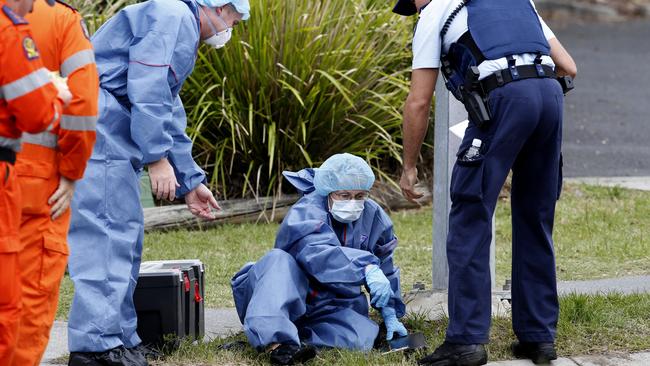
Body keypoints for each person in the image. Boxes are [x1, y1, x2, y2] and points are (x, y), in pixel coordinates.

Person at [392, 0, 577, 364]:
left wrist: (409, 167)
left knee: (469, 216)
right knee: (535, 216)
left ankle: (466, 341)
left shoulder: (434, 13)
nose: (413, 9)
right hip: (550, 97)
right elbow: (568, 66)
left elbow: (418, 102)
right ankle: (539, 338)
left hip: (506, 100)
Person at [65, 0, 250, 365]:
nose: (232, 27)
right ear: (219, 6)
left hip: (110, 128)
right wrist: (157, 158)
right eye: (234, 18)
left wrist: (190, 181)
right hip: (97, 128)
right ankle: (94, 347)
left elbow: (167, 106)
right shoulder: (173, 17)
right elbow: (147, 88)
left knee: (124, 236)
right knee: (105, 234)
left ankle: (118, 337)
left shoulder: (177, 21)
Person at [231, 153, 408, 365]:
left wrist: (390, 311)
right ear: (328, 191)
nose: (353, 202)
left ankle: (298, 338)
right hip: (284, 293)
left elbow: (386, 265)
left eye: (360, 195)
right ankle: (277, 344)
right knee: (277, 260)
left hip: (330, 302)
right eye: (344, 195)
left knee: (362, 338)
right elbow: (317, 253)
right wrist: (366, 268)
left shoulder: (374, 216)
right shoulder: (308, 209)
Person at [9, 1, 99, 364]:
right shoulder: (62, 20)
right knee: (28, 300)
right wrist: (72, 171)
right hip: (38, 182)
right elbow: (84, 104)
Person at [0, 0, 70, 363]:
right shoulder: (9, 31)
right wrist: (57, 95)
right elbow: (36, 113)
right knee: (9, 305)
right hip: (11, 176)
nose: (32, 9)